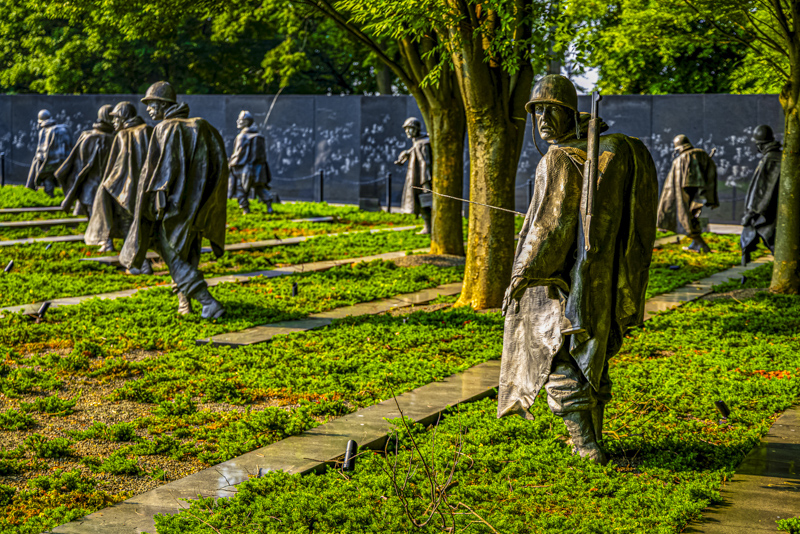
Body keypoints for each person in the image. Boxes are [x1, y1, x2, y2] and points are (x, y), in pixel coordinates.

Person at [498, 75, 658, 464]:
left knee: (555, 357)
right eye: (537, 110)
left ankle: (587, 447)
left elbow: (550, 227)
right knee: (589, 356)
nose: (543, 118)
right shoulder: (607, 152)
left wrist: (521, 274)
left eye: (552, 109)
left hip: (557, 281)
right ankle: (593, 441)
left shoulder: (558, 158)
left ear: (572, 112)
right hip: (598, 279)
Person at [120, 81, 228, 319]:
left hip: (171, 206)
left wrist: (152, 204)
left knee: (171, 253)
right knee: (186, 252)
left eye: (152, 105)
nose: (148, 110)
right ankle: (184, 304)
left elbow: (158, 172)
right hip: (197, 207)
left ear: (163, 104)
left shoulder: (165, 129)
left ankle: (207, 302)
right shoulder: (201, 126)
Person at [84, 101, 153, 274]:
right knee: (135, 229)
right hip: (143, 190)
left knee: (130, 228)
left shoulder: (123, 136)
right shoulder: (148, 131)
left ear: (124, 117)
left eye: (116, 119)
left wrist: (108, 188)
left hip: (125, 191)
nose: (114, 123)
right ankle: (139, 263)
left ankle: (139, 265)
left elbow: (116, 168)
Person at [656, 135, 719, 253]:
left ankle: (702, 245)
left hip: (686, 194)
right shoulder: (702, 154)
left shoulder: (682, 159)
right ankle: (696, 244)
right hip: (699, 192)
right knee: (691, 218)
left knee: (686, 218)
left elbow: (685, 182)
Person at [55, 105, 115, 218]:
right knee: (100, 227)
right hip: (101, 191)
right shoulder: (110, 139)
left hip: (87, 190)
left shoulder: (86, 136)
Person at [740, 125, 781, 265]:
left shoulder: (771, 159)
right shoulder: (775, 157)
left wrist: (752, 212)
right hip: (775, 207)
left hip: (769, 209)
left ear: (760, 144)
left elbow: (762, 188)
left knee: (769, 236)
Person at [228, 110, 273, 214]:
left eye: (240, 120)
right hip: (259, 169)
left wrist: (231, 163)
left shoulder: (241, 137)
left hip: (244, 169)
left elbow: (238, 154)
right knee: (260, 188)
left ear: (247, 122)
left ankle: (245, 209)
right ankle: (269, 206)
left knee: (241, 189)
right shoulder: (259, 136)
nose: (237, 121)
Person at [395, 117, 433, 234]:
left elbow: (425, 163)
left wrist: (426, 183)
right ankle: (427, 227)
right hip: (415, 178)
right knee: (420, 204)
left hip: (421, 180)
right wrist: (407, 154)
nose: (407, 132)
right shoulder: (417, 142)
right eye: (406, 129)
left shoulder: (423, 143)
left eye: (410, 129)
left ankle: (429, 227)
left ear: (416, 129)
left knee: (425, 204)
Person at [26, 110, 72, 198]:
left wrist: (38, 162)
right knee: (65, 178)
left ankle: (49, 197)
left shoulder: (43, 131)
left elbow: (41, 150)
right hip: (64, 160)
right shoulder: (64, 129)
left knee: (47, 176)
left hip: (49, 160)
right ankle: (68, 197)